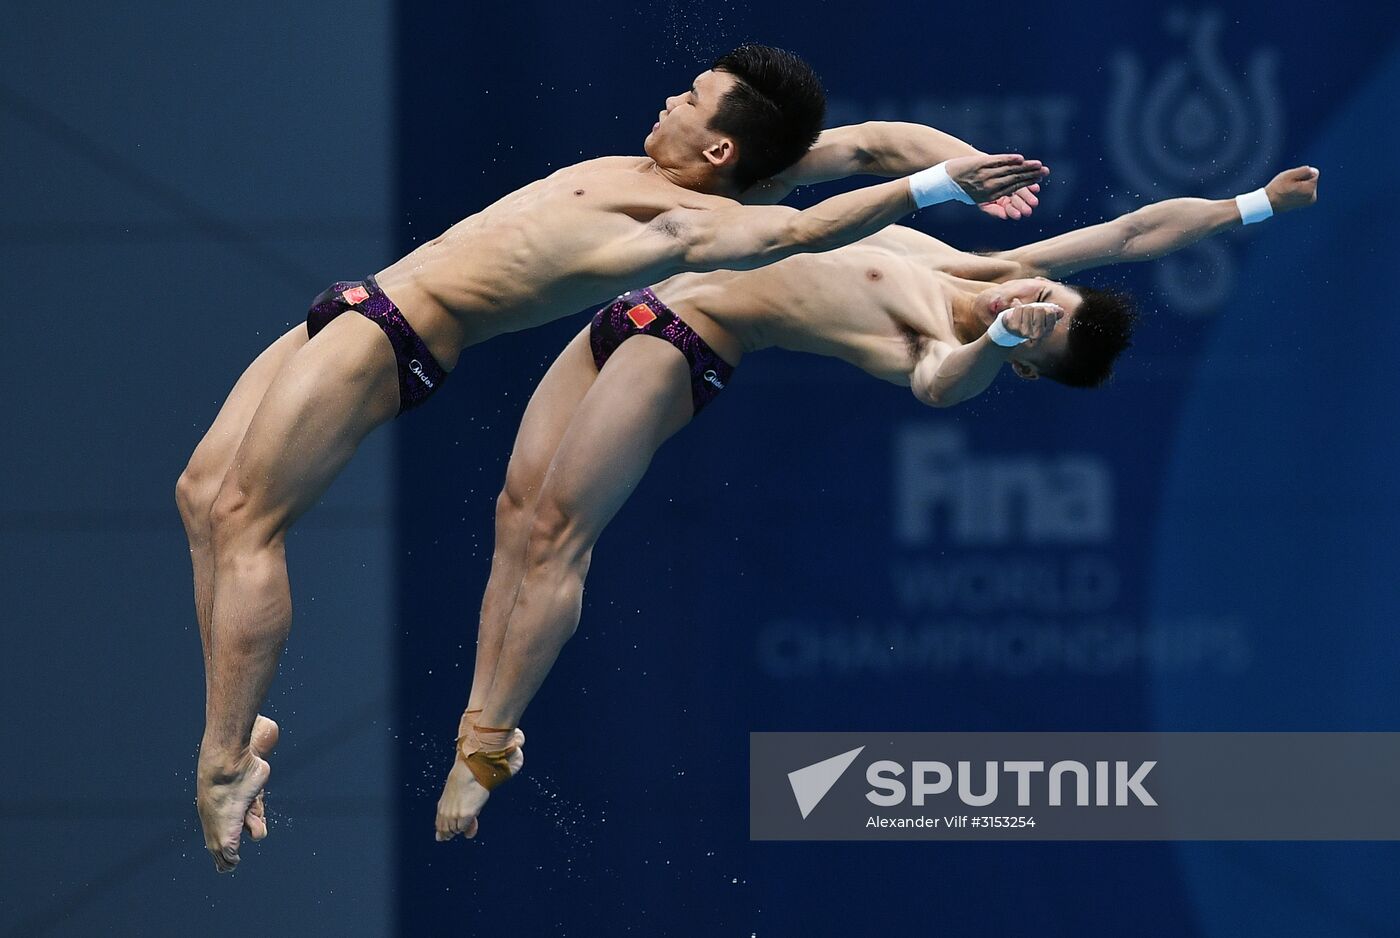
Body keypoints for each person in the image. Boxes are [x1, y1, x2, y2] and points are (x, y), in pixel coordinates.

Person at [173, 42, 1049, 871]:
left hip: (392, 333)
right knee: (203, 492)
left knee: (250, 518)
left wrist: (932, 189)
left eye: (691, 98)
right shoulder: (662, 167)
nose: (670, 97)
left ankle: (224, 763)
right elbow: (869, 144)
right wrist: (969, 163)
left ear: (716, 146)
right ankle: (239, 730)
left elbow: (793, 235)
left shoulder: (686, 219)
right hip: (359, 300)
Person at [436, 164, 1321, 840]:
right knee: (516, 521)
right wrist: (1257, 206)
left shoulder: (937, 346)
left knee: (559, 532)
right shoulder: (983, 260)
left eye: (1038, 328)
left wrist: (1002, 336)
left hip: (685, 339)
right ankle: (482, 718)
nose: (1032, 301)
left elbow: (943, 383)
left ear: (1023, 364)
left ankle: (489, 743)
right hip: (637, 303)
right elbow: (1132, 235)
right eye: (1048, 299)